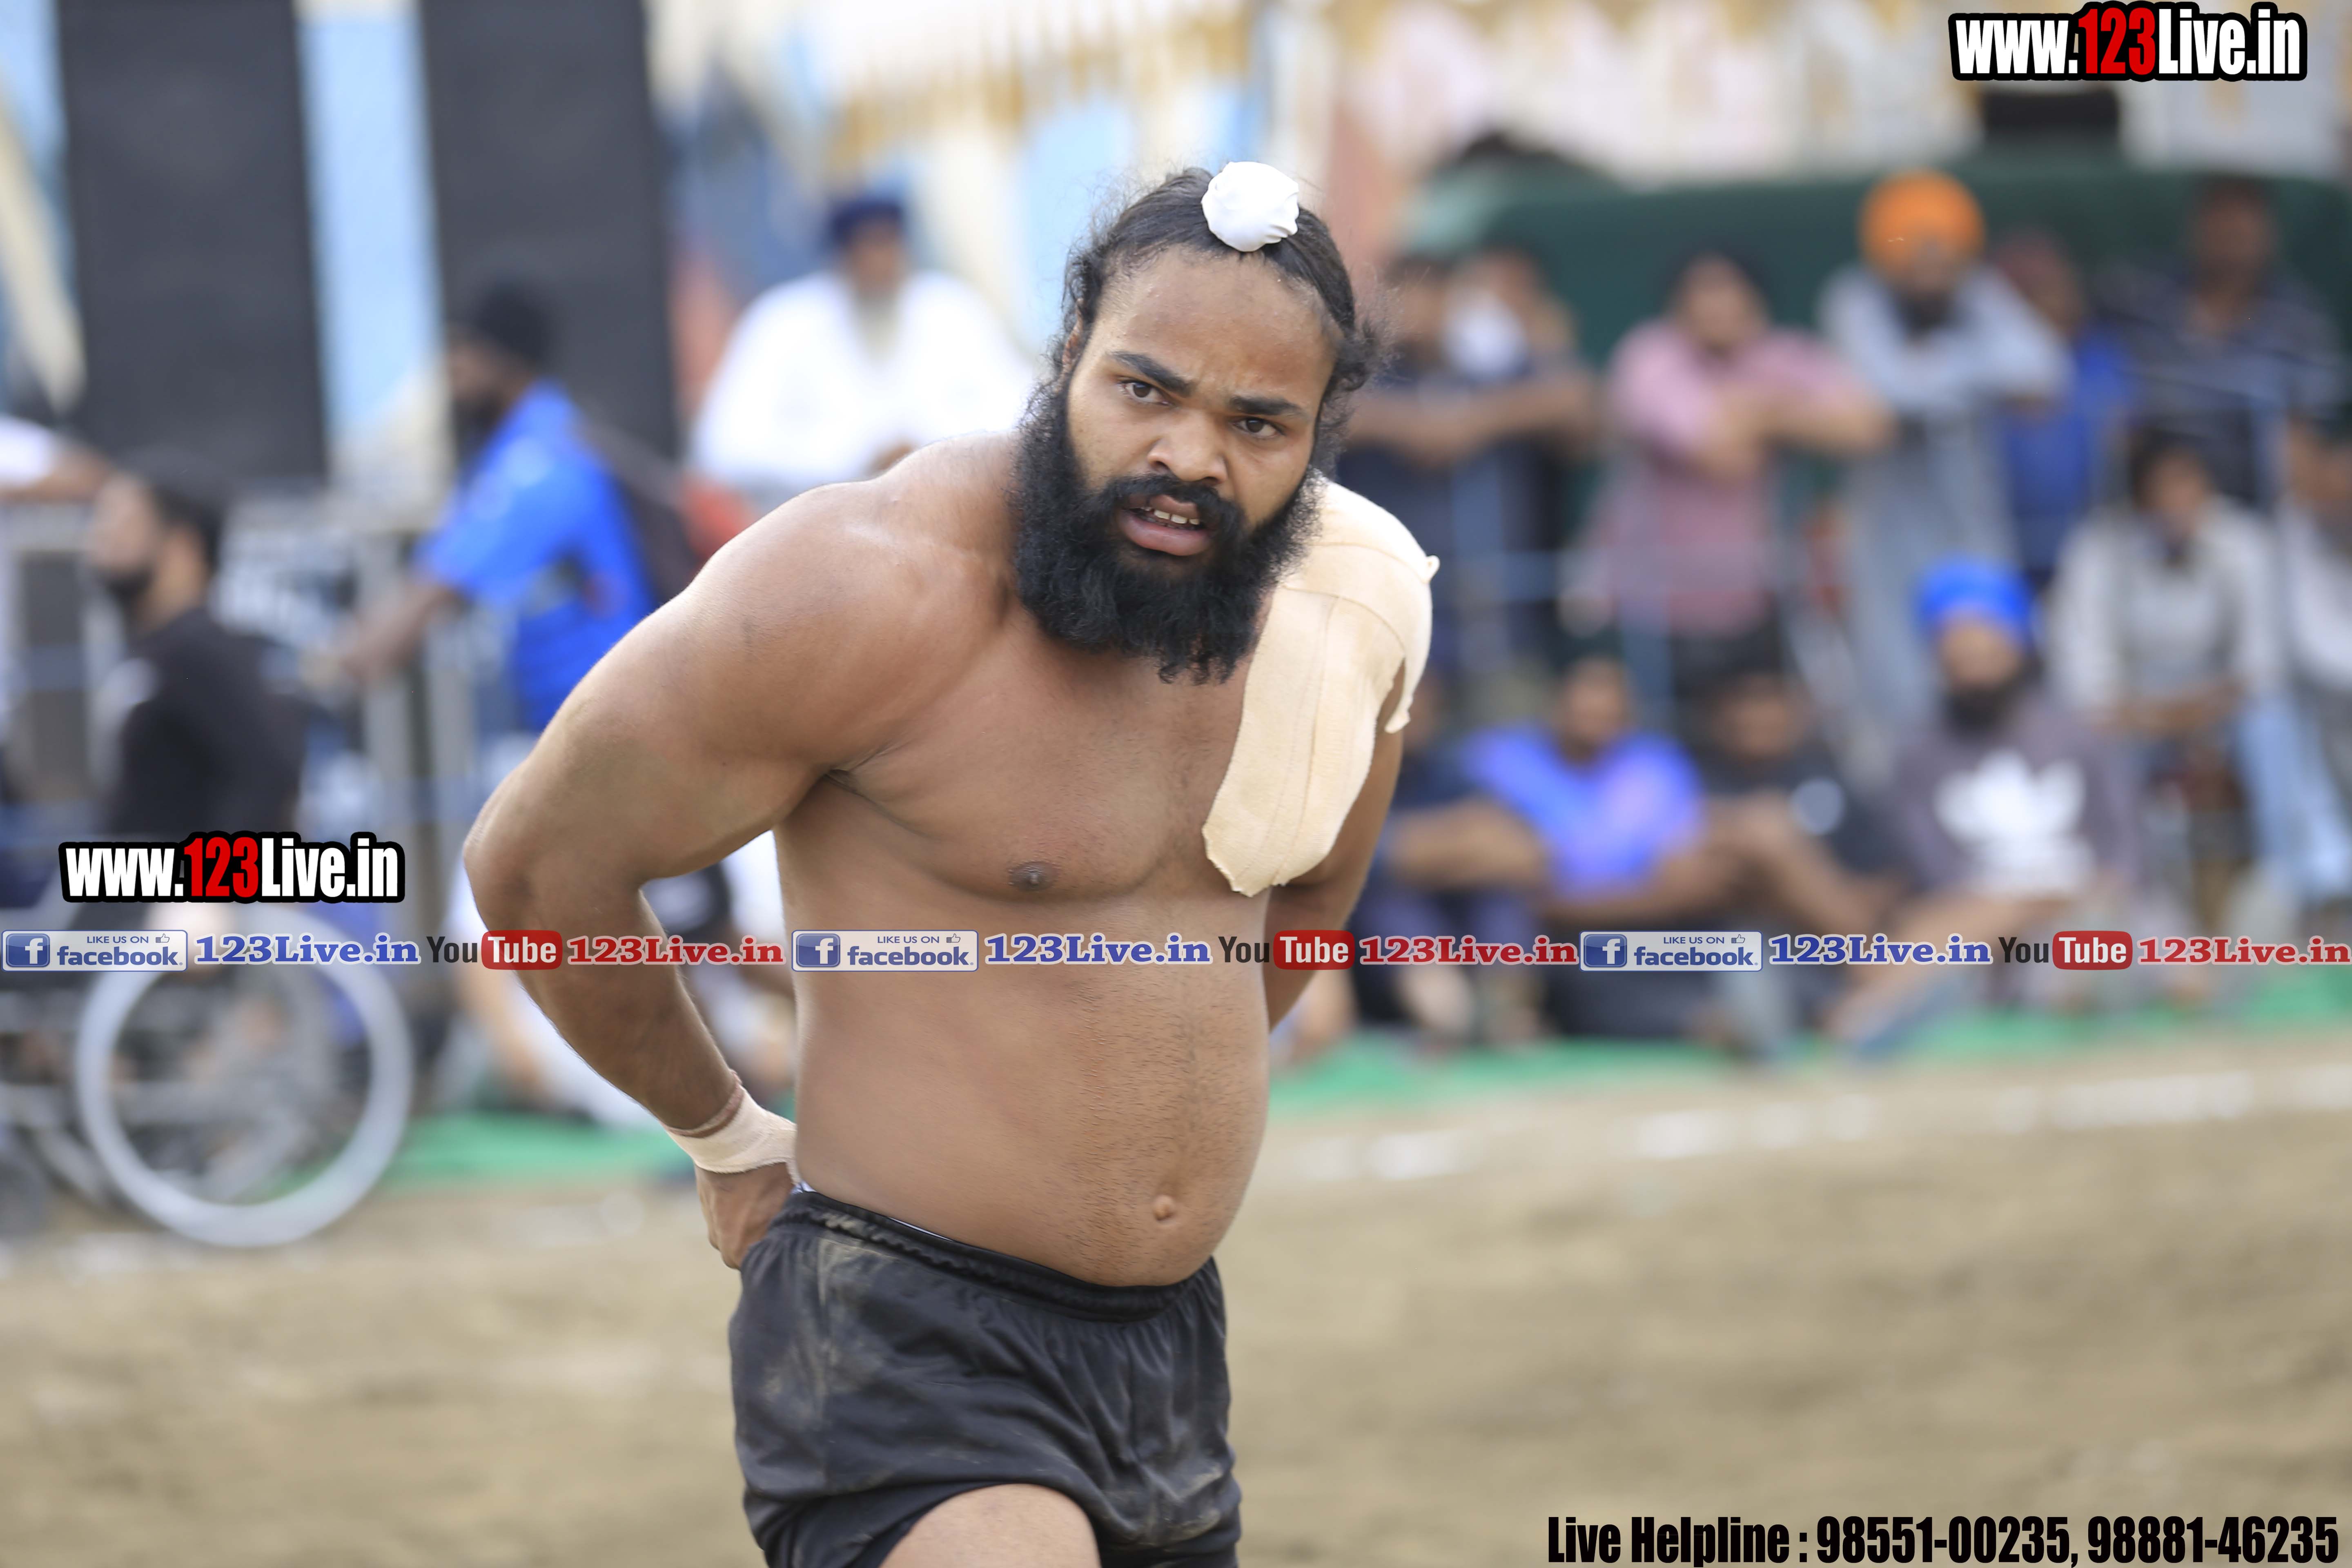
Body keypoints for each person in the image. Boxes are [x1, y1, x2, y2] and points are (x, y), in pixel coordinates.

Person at [463, 164, 1430, 1567]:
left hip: (1169, 1358)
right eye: (1145, 391)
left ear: (1321, 430)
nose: (1189, 457)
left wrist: (1148, 1118)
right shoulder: (865, 583)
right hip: (901, 1335)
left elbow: (1315, 899)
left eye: (1258, 423)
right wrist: (724, 1135)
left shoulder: (1354, 603)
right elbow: (534, 869)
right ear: (1069, 348)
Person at [1828, 557, 2146, 1049]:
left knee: (2113, 937)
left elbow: (2124, 853)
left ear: (2018, 645)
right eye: (1958, 654)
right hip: (1983, 926)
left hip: (2086, 903)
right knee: (1970, 933)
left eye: (1986, 648)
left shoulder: (2078, 736)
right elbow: (1937, 873)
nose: (1974, 668)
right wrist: (2016, 906)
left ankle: (1873, 1009)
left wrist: (2057, 897)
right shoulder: (1918, 757)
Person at [2048, 430, 2349, 910]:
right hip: (2136, 718)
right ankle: (2125, 891)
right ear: (2138, 500)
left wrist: (2201, 715)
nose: (2178, 503)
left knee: (2274, 722)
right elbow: (2085, 683)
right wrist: (2158, 717)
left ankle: (2302, 881)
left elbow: (2262, 667)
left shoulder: (2242, 540)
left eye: (2189, 485)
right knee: (2091, 744)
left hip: (2221, 710)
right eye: (2162, 490)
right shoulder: (2097, 550)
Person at [336, 281, 655, 733]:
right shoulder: (511, 449)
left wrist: (338, 667)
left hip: (617, 726)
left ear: (505, 360)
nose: (451, 371)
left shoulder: (541, 462)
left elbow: (430, 595)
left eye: (463, 351)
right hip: (577, 723)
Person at [1822, 170, 2068, 743]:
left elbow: (2043, 371)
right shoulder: (1855, 298)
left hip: (1975, 529)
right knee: (1900, 699)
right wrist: (1975, 375)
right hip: (1887, 541)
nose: (1930, 270)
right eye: (1914, 255)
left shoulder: (1978, 292)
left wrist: (1931, 362)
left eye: (1943, 256)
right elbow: (1886, 391)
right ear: (1887, 257)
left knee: (1996, 673)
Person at [1578, 250, 1889, 688]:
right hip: (1647, 605)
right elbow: (1723, 454)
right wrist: (1791, 415)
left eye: (1728, 290)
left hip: (1755, 603)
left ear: (1755, 301)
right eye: (1701, 292)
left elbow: (1868, 428)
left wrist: (1761, 415)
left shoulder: (1786, 353)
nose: (1716, 305)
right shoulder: (1651, 354)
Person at [1341, 249, 1601, 678]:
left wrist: (1475, 420)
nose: (1420, 308)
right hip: (1388, 617)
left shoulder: (1497, 368)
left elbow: (1579, 404)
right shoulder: (1357, 373)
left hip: (1500, 616)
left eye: (1435, 293)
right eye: (1405, 294)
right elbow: (1316, 412)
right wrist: (1409, 425)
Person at [692, 193, 1036, 504]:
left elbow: (1022, 409)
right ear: (842, 257)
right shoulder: (784, 323)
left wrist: (926, 450)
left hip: (945, 515)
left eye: (888, 244)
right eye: (868, 247)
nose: (880, 262)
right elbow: (725, 447)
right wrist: (856, 456)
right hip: (817, 526)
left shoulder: (953, 310)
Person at [84, 450, 303, 841]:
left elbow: (270, 771)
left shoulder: (200, 648)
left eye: (124, 522)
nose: (102, 537)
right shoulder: (158, 647)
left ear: (183, 547)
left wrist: (215, 875)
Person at [2100, 175, 2344, 512]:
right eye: (2220, 223)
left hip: (2255, 512)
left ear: (2268, 233)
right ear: (2195, 228)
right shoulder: (2137, 296)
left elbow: (2308, 443)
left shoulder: (2301, 321)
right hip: (2144, 500)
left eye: (2241, 228)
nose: (2230, 239)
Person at [1349, 672, 1548, 1049]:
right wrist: (1454, 843)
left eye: (1422, 700)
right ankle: (1448, 1023)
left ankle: (1505, 1019)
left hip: (1456, 916)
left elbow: (1526, 855)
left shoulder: (1450, 767)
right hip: (1374, 939)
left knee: (1498, 899)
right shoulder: (1349, 769)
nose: (1414, 711)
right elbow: (1356, 859)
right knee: (1391, 905)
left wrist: (1427, 859)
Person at [1991, 231, 2136, 595]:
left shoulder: (2099, 352)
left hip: (2089, 540)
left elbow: (2124, 433)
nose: (2048, 296)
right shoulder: (1990, 358)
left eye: (2052, 283)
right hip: (2001, 543)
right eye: (2030, 289)